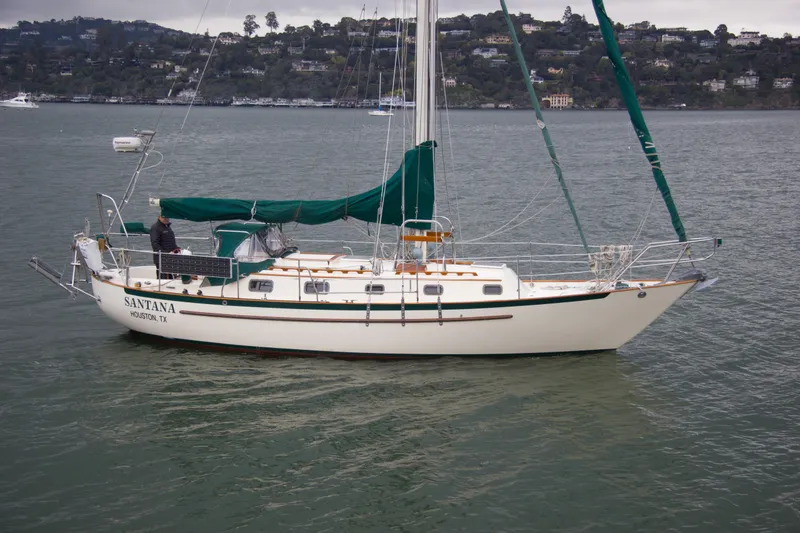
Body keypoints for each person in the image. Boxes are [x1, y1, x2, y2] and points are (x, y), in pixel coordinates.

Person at [150, 214, 179, 279]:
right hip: (161, 258)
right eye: (163, 217)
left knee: (171, 276)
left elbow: (171, 241)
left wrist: (177, 248)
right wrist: (165, 253)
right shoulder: (155, 228)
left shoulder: (167, 227)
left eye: (167, 216)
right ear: (159, 217)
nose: (166, 218)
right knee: (162, 278)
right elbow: (155, 244)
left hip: (170, 257)